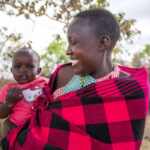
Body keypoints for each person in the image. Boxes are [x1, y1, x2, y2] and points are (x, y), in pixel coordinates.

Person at [2, 9, 149, 150]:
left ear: (104, 42)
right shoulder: (63, 75)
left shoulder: (130, 91)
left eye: (74, 42)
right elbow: (44, 122)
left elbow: (125, 143)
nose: (67, 51)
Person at [0, 47, 49, 139]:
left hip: (39, 127)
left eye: (30, 66)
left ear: (38, 70)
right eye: (18, 66)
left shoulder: (45, 83)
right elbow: (1, 115)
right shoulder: (8, 89)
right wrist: (9, 103)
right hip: (15, 127)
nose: (23, 70)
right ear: (12, 70)